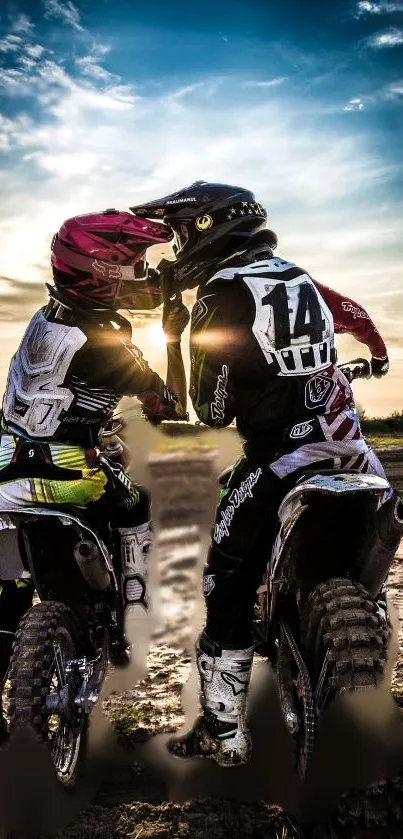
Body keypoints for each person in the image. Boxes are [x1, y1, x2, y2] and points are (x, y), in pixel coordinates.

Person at [130, 181, 403, 768]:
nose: (175, 250)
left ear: (207, 230)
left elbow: (213, 409)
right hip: (354, 454)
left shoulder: (222, 292)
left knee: (221, 578)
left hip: (283, 460)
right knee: (371, 570)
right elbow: (348, 313)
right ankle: (362, 642)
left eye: (180, 235)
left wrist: (178, 341)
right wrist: (375, 354)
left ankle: (224, 735)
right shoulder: (296, 275)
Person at [0, 209, 185, 734]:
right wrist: (172, 338)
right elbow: (165, 404)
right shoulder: (106, 343)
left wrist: (165, 288)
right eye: (134, 264)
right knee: (136, 503)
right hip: (67, 471)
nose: (142, 272)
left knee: (7, 589)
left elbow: (128, 298)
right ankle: (134, 608)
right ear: (105, 271)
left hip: (7, 467)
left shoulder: (48, 317)